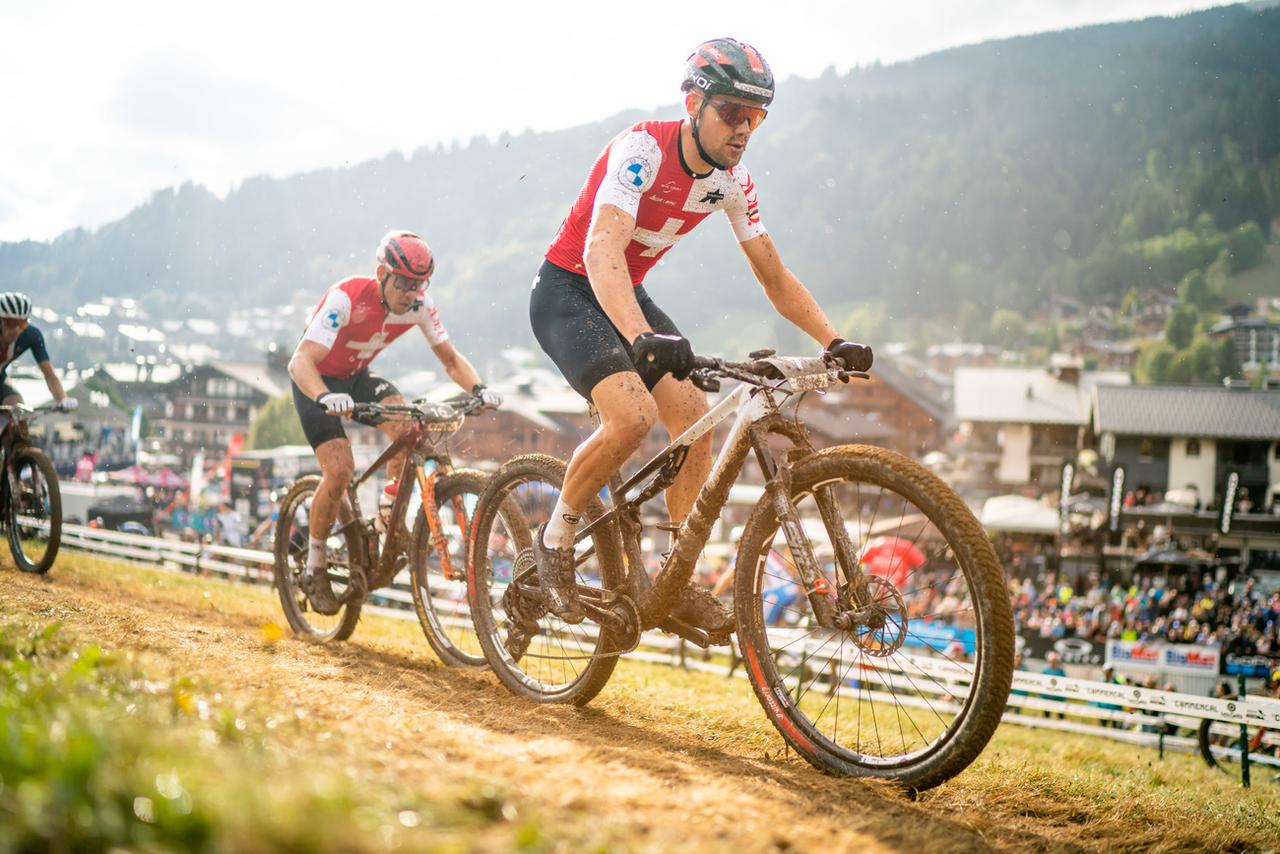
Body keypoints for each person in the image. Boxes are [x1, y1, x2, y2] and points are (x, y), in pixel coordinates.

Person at [527, 38, 873, 632]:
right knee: (632, 418)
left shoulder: (733, 182)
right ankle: (554, 541)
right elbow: (601, 248)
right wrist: (640, 335)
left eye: (756, 116)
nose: (744, 129)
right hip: (569, 291)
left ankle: (674, 579)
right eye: (732, 113)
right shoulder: (642, 149)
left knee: (696, 418)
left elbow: (774, 275)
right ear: (694, 103)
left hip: (625, 294)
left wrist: (832, 341)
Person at [288, 231, 502, 614]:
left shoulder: (421, 306)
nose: (409, 293)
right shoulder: (347, 297)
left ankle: (386, 521)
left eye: (418, 284)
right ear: (381, 274)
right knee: (339, 471)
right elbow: (299, 361)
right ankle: (314, 565)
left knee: (410, 430)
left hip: (356, 376)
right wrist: (323, 396)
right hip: (316, 381)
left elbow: (451, 361)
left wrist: (480, 389)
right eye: (402, 282)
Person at [0, 292, 77, 411]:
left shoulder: (31, 335)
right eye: (10, 323)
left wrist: (62, 399)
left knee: (17, 407)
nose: (16, 330)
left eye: (21, 324)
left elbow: (49, 375)